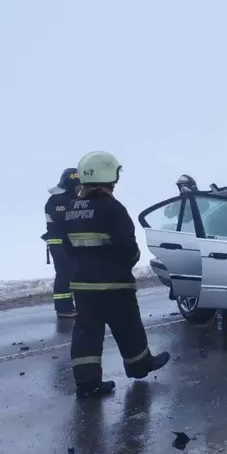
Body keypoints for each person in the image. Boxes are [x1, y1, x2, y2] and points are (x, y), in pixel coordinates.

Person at [64, 151, 170, 399]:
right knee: (128, 326)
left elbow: (67, 247)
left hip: (82, 284)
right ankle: (139, 365)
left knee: (86, 333)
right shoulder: (112, 208)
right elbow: (128, 248)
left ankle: (87, 384)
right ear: (108, 177)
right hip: (113, 284)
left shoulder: (71, 209)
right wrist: (129, 262)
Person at [43, 167, 81, 318]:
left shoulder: (75, 199)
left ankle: (76, 305)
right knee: (64, 273)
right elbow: (62, 217)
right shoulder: (56, 199)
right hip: (57, 241)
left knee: (75, 272)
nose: (79, 188)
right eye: (77, 185)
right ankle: (63, 308)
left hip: (71, 241)